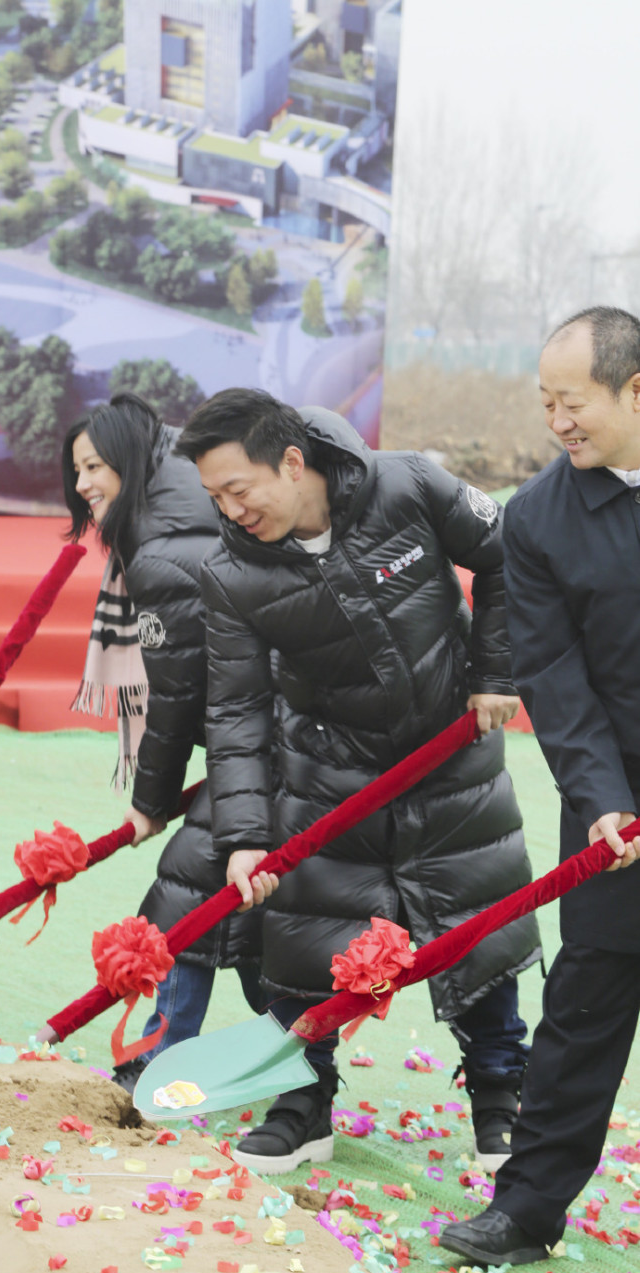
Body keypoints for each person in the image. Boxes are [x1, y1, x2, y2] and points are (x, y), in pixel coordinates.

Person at [174, 389, 541, 1174]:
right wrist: (245, 836)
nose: (231, 511)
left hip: (451, 754)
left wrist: (494, 671)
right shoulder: (231, 573)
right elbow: (236, 709)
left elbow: (506, 555)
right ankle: (302, 1100)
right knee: (300, 933)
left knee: (474, 919)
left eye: (239, 489)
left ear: (292, 462)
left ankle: (500, 1095)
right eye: (215, 497)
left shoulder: (408, 485)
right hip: (327, 771)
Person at [440, 306, 640, 1266]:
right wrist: (601, 798)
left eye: (574, 401)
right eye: (546, 402)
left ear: (635, 390)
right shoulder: (538, 519)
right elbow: (555, 677)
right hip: (617, 802)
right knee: (586, 997)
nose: (558, 421)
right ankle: (525, 1210)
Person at [60, 393, 264, 1090]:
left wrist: (149, 802)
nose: (82, 484)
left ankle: (164, 1058)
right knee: (230, 900)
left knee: (185, 890)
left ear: (129, 458)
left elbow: (175, 693)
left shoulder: (161, 548)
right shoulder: (176, 503)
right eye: (77, 470)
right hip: (264, 731)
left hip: (271, 738)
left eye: (94, 466)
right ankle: (293, 1065)